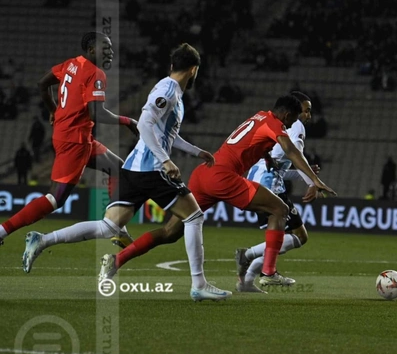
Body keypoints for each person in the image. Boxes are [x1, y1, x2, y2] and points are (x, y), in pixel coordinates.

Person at [21, 43, 228, 302]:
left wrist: (197, 152)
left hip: (133, 168)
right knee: (194, 217)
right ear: (194, 69)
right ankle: (199, 284)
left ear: (173, 65)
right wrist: (165, 161)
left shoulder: (167, 87)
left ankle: (43, 240)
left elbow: (165, 135)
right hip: (151, 169)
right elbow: (144, 123)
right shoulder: (169, 90)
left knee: (109, 226)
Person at [100, 94, 336, 290]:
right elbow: (291, 150)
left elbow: (252, 144)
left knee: (170, 231)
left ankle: (117, 260)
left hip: (204, 173)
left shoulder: (259, 117)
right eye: (292, 119)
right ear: (286, 115)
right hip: (223, 176)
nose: (290, 124)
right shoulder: (275, 124)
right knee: (279, 209)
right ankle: (268, 271)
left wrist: (268, 159)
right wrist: (314, 180)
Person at [0, 32, 137, 248]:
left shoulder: (72, 64)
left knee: (118, 169)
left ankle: (116, 227)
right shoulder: (96, 73)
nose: (111, 52)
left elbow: (42, 84)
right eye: (106, 48)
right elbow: (96, 114)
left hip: (74, 135)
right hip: (75, 140)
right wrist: (128, 121)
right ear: (92, 50)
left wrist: (54, 110)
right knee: (55, 199)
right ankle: (2, 230)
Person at [235, 92, 320, 293]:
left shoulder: (276, 125)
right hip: (269, 186)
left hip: (259, 181)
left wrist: (304, 176)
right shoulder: (296, 126)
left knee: (282, 237)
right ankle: (249, 258)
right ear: (295, 111)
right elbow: (296, 154)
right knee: (298, 236)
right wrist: (312, 182)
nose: (308, 115)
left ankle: (246, 282)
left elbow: (278, 167)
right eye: (306, 111)